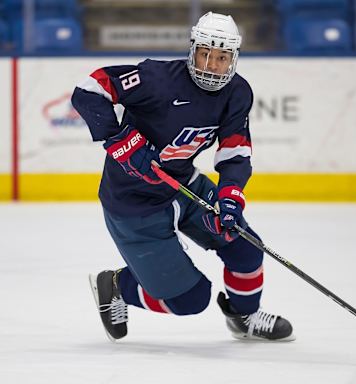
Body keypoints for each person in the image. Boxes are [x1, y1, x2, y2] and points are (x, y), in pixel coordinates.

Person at [71, 11, 294, 342]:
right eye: (206, 54)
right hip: (133, 203)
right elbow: (89, 90)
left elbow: (235, 152)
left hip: (185, 186)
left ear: (234, 58)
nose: (213, 65)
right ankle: (116, 286)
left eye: (222, 57)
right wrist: (120, 142)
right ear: (193, 50)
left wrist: (230, 196)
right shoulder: (157, 79)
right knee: (190, 300)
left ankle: (243, 316)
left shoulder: (237, 93)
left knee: (246, 249)